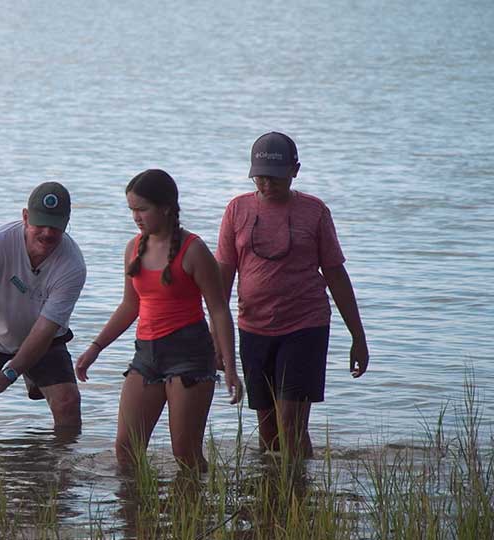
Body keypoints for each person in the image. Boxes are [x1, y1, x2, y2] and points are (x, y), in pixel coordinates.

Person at [215, 131, 369, 459]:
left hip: (304, 327)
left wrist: (358, 336)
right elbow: (222, 280)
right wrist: (216, 341)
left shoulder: (314, 212)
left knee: (291, 425)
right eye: (260, 177)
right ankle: (272, 499)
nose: (267, 185)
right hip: (253, 328)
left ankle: (299, 493)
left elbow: (336, 275)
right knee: (268, 427)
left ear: (295, 171)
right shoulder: (237, 210)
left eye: (275, 177)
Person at [75, 169, 242, 470]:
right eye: (131, 210)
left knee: (185, 455)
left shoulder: (194, 251)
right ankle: (135, 514)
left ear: (166, 207)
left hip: (189, 355)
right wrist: (95, 348)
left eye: (142, 209)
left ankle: (194, 513)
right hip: (146, 356)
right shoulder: (133, 248)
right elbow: (130, 306)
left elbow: (218, 309)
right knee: (126, 449)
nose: (136, 217)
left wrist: (230, 367)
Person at [0, 181, 86, 428]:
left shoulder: (72, 265)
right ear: (25, 217)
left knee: (67, 403)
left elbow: (45, 329)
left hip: (42, 339)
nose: (47, 233)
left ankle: (63, 465)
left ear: (66, 224)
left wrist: (8, 375)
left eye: (55, 226)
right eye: (40, 224)